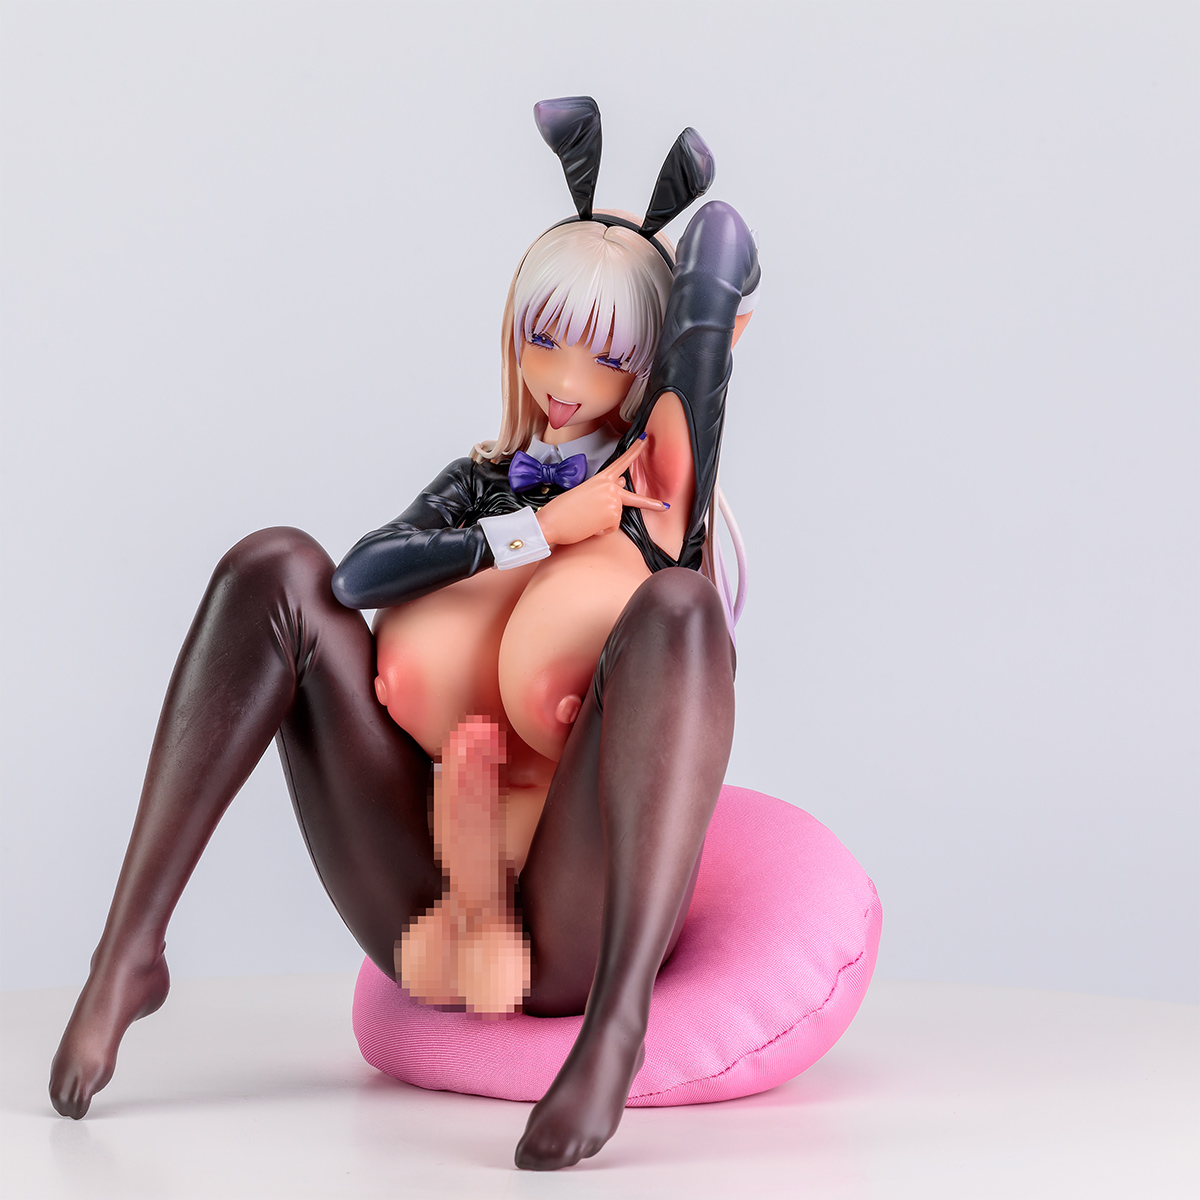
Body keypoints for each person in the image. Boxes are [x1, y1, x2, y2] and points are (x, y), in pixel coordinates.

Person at [48, 97, 760, 1171]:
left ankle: (618, 1031)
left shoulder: (658, 512)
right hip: (426, 899)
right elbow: (356, 575)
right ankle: (126, 955)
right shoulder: (487, 482)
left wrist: (702, 294)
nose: (564, 384)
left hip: (572, 925)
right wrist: (532, 530)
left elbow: (704, 347)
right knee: (275, 564)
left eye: (606, 355)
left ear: (650, 363)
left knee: (680, 613)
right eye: (543, 338)